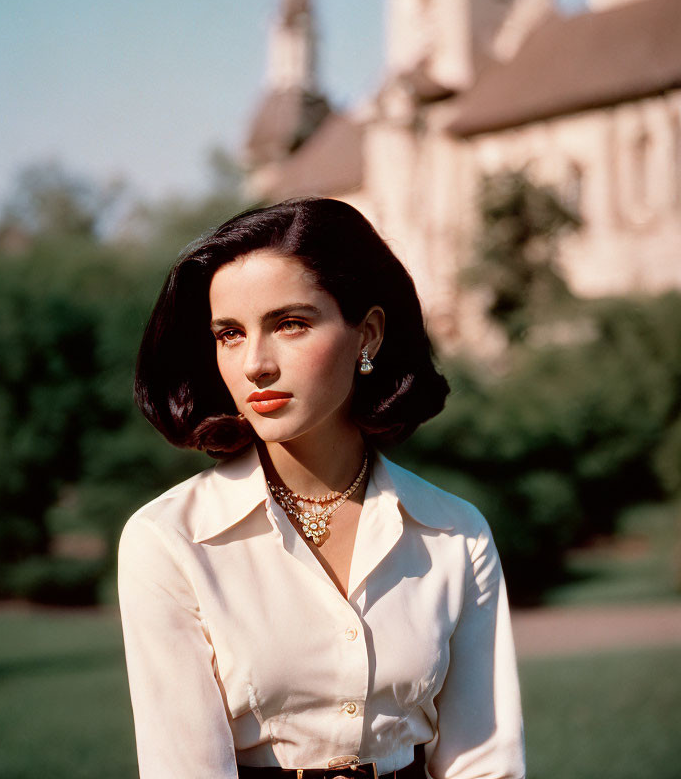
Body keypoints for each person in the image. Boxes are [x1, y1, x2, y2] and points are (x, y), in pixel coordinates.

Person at [118, 197, 525, 779]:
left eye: (290, 324)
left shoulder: (455, 535)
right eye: (229, 334)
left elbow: (485, 763)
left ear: (369, 336)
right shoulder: (169, 541)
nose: (255, 363)